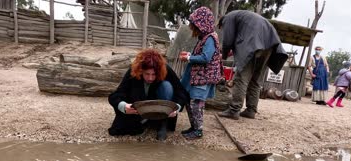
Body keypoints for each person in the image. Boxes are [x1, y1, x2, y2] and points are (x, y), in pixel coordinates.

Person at [217, 10, 288, 120]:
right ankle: (251, 110)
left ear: (221, 23)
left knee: (241, 78)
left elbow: (228, 39)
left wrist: (223, 55)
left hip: (253, 43)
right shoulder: (241, 16)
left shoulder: (228, 18)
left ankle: (234, 110)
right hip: (269, 45)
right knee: (255, 79)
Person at [108, 49, 189, 140]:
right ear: (141, 70)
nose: (150, 78)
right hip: (138, 110)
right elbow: (117, 94)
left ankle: (162, 123)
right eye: (147, 74)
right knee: (119, 130)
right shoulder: (133, 71)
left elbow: (181, 92)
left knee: (166, 86)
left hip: (161, 111)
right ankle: (143, 121)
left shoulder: (165, 69)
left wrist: (176, 108)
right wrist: (123, 106)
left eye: (154, 74)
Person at [179, 6, 222, 140]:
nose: (192, 29)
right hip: (198, 76)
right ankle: (194, 127)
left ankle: (198, 131)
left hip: (203, 77)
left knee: (197, 104)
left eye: (194, 26)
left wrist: (189, 58)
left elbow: (206, 58)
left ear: (201, 25)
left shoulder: (210, 38)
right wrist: (191, 55)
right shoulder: (204, 37)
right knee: (189, 101)